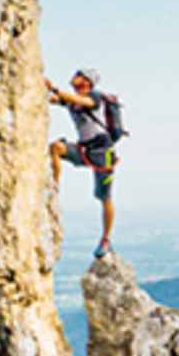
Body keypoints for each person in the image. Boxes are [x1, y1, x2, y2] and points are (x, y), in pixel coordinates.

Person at [48, 68, 118, 258]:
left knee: (105, 198)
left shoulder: (94, 96)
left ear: (86, 81)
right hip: (84, 149)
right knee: (55, 148)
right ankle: (53, 188)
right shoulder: (72, 102)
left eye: (78, 74)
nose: (74, 76)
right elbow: (56, 100)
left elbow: (79, 101)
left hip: (103, 152)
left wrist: (54, 89)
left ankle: (105, 239)